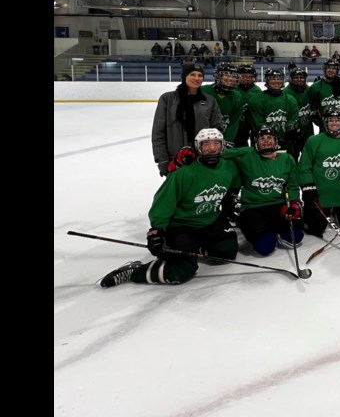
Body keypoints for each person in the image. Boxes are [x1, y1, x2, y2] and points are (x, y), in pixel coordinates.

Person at [99, 128, 240, 288]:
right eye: (206, 144)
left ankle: (194, 246)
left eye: (216, 143)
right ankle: (134, 271)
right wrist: (157, 229)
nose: (212, 148)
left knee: (227, 251)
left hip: (210, 220)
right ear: (197, 147)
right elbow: (163, 202)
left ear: (223, 146)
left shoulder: (229, 168)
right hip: (182, 225)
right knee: (183, 270)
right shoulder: (184, 173)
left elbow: (242, 169)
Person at [224, 126, 303, 254]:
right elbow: (222, 153)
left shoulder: (287, 159)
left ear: (276, 140)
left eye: (269, 138)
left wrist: (294, 203)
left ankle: (272, 229)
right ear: (256, 141)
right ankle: (266, 231)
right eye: (262, 138)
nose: (266, 141)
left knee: (294, 239)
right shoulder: (247, 154)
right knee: (265, 247)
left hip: (278, 205)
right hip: (253, 207)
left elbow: (292, 185)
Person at [299, 110, 340, 237]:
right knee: (316, 228)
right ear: (325, 123)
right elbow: (304, 166)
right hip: (320, 196)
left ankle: (336, 209)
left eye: (337, 120)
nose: (334, 123)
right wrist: (308, 186)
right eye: (331, 121)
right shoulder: (313, 141)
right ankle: (314, 209)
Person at [152, 62, 223, 177]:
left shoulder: (209, 101)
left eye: (200, 75)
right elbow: (158, 133)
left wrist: (213, 153)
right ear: (184, 76)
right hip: (175, 159)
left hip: (203, 158)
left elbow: (217, 130)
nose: (197, 78)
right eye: (192, 74)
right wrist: (162, 160)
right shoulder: (167, 99)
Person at [246, 68, 299, 150]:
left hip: (286, 143)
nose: (276, 81)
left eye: (279, 79)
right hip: (264, 143)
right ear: (267, 81)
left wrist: (291, 129)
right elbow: (257, 124)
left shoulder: (291, 100)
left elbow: (293, 119)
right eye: (273, 79)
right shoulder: (256, 100)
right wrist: (275, 138)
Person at [307, 59, 340, 133]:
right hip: (325, 128)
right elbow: (313, 106)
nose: (331, 70)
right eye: (328, 68)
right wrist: (315, 115)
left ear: (337, 70)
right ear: (325, 69)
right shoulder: (315, 87)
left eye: (334, 68)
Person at [200, 63, 244, 148]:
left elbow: (234, 123)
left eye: (234, 76)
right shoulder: (203, 91)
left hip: (223, 139)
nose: (230, 79)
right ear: (218, 76)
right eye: (227, 75)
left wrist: (226, 140)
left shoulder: (237, 96)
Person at [283, 67, 314, 159]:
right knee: (292, 157)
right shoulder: (285, 93)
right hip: (291, 134)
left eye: (302, 78)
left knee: (309, 157)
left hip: (307, 131)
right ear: (291, 79)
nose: (299, 80)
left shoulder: (309, 90)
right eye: (296, 77)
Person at [233, 64, 261, 147]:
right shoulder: (233, 89)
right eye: (243, 76)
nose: (247, 79)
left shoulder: (257, 90)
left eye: (250, 76)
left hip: (253, 125)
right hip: (237, 126)